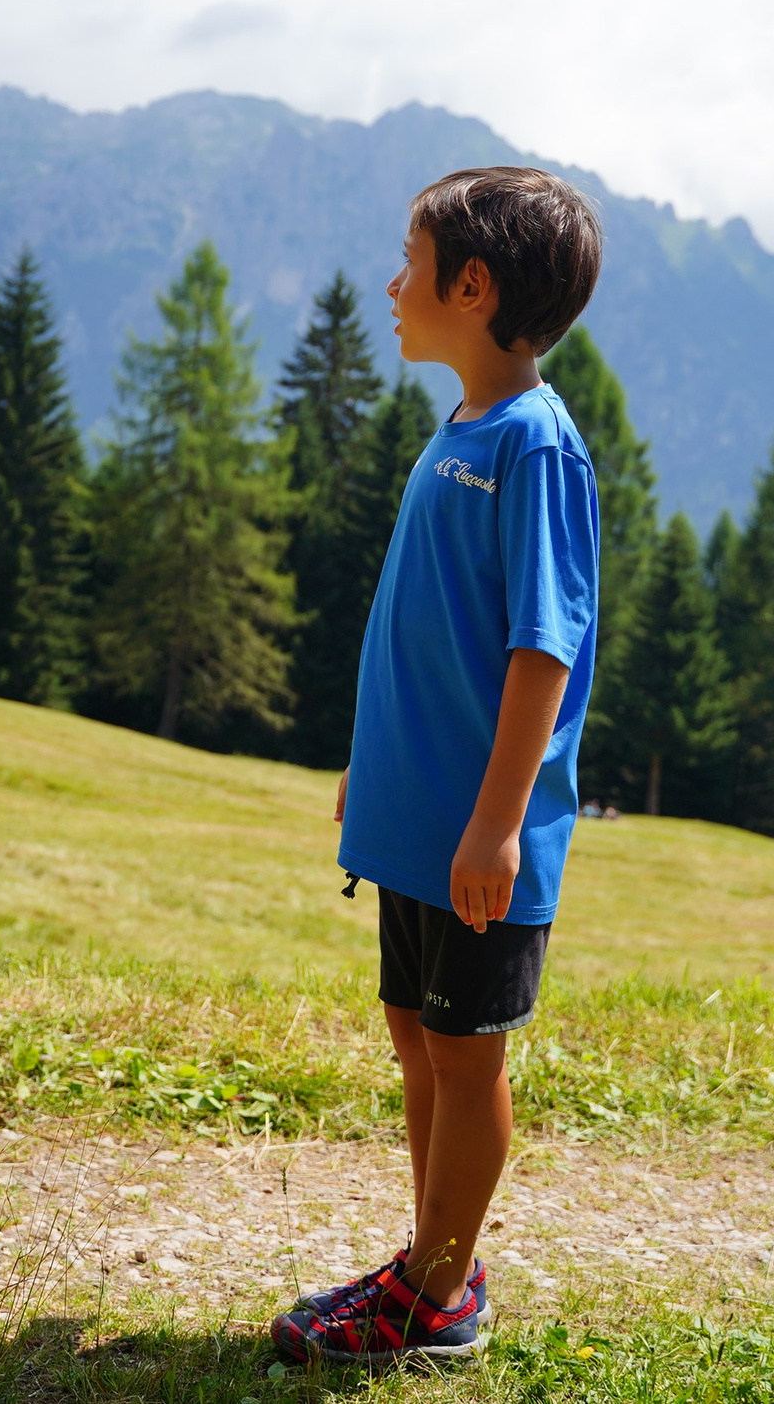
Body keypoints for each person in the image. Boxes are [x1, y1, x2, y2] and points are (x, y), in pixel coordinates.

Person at [271, 166, 603, 1366]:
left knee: (467, 1057)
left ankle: (435, 1295)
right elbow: (415, 627)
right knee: (417, 1035)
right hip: (419, 821)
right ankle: (427, 1261)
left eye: (409, 263)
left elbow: (541, 649)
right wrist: (372, 767)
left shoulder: (536, 447)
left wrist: (497, 824)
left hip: (478, 843)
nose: (392, 285)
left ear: (472, 286)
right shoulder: (460, 427)